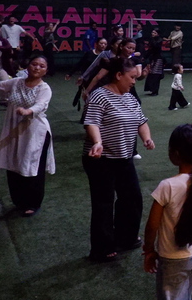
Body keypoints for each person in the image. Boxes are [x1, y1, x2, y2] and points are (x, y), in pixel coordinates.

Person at [82, 57, 155, 262]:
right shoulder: (99, 96)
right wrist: (97, 142)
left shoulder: (130, 98)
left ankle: (126, 238)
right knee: (103, 203)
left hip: (124, 157)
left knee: (132, 199)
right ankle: (102, 248)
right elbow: (91, 123)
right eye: (132, 77)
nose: (134, 82)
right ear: (118, 75)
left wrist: (146, 138)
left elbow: (141, 121)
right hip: (101, 159)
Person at [0, 55, 53, 216]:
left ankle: (33, 202)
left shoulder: (44, 88)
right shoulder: (16, 82)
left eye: (41, 66)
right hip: (14, 131)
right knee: (13, 164)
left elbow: (40, 105)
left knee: (32, 166)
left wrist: (27, 111)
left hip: (35, 133)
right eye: (34, 64)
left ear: (46, 70)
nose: (37, 68)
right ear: (27, 66)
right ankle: (19, 201)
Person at [143, 124, 192, 300]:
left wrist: (149, 250)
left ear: (176, 154)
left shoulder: (167, 186)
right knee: (186, 293)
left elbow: (152, 225)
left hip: (173, 257)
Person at [145, 29, 165, 96]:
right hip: (153, 58)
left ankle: (155, 91)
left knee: (156, 75)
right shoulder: (152, 40)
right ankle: (153, 90)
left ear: (157, 34)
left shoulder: (159, 40)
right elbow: (150, 50)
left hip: (158, 59)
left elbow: (155, 47)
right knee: (152, 74)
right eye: (152, 32)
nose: (152, 33)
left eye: (154, 32)